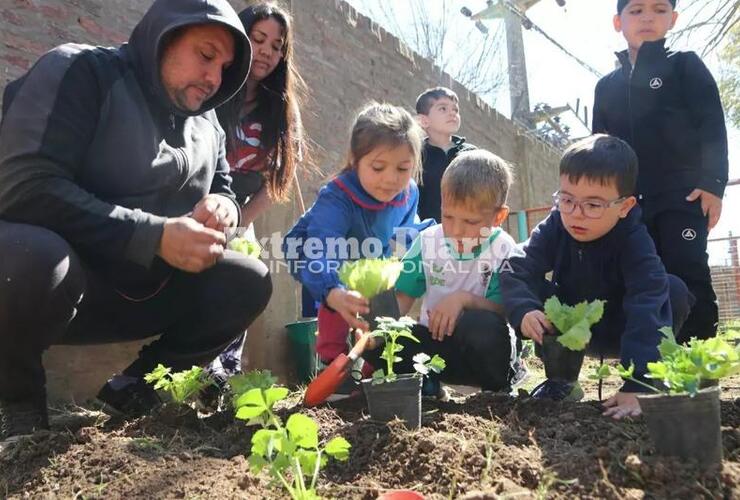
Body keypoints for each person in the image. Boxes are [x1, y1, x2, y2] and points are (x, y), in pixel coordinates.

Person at [0, 0, 272, 440]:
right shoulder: (80, 72)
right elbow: (23, 185)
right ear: (164, 36)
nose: (214, 78)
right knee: (28, 258)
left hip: (148, 289)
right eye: (206, 55)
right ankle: (17, 406)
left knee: (249, 279)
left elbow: (224, 187)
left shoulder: (209, 126)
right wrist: (153, 235)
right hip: (62, 284)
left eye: (224, 67)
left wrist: (227, 208)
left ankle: (130, 394)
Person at [501, 135, 694, 419]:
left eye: (593, 205)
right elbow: (516, 265)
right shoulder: (557, 223)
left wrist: (638, 380)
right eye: (567, 200)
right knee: (536, 294)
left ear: (625, 207)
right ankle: (562, 382)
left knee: (670, 290)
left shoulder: (634, 240)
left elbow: (647, 302)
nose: (576, 215)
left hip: (620, 329)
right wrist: (525, 309)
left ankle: (651, 382)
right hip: (571, 330)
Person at [592, 0, 728, 343]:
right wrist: (600, 201)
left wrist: (712, 184)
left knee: (687, 270)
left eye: (658, 10)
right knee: (639, 276)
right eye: (636, 11)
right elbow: (599, 149)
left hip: (682, 195)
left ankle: (698, 363)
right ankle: (647, 360)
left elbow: (712, 125)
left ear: (673, 19)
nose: (647, 17)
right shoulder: (606, 86)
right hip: (628, 205)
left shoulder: (685, 66)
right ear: (617, 22)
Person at [283, 102, 433, 380]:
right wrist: (332, 292)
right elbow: (322, 249)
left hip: (369, 253)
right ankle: (332, 365)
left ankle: (375, 366)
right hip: (314, 252)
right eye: (378, 167)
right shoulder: (336, 197)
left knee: (381, 297)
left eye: (403, 168)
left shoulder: (408, 193)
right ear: (355, 159)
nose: (390, 179)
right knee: (339, 297)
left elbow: (403, 234)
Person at [208, 1, 308, 383]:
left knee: (246, 280)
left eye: (277, 45)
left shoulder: (281, 108)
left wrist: (240, 223)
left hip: (241, 212)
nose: (267, 51)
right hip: (195, 203)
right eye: (259, 39)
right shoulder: (213, 88)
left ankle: (221, 375)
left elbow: (278, 181)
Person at [373, 150, 520, 393]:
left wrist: (463, 300)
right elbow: (401, 298)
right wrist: (377, 329)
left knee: (482, 324)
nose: (456, 230)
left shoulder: (503, 249)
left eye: (470, 222)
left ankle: (496, 392)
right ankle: (428, 386)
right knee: (383, 331)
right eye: (448, 216)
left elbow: (502, 310)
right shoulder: (428, 241)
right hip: (434, 349)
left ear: (499, 216)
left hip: (481, 352)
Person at [415, 87, 476, 223]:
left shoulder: (471, 154)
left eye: (455, 110)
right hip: (428, 234)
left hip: (469, 232)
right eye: (443, 109)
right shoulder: (415, 156)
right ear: (424, 121)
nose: (452, 113)